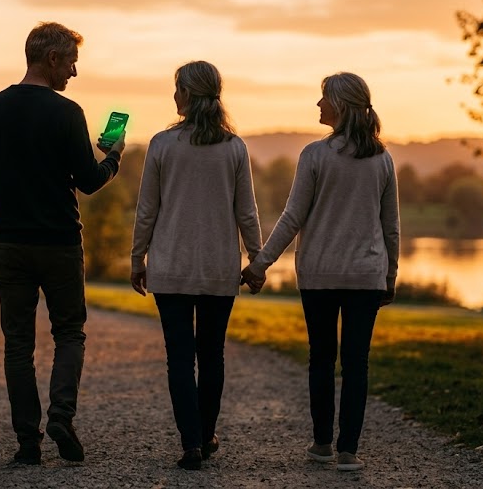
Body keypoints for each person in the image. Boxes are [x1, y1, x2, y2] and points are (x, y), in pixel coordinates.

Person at [0, 21, 126, 466]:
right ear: (52, 58)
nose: (74, 72)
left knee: (18, 343)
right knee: (69, 332)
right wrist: (114, 156)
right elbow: (89, 181)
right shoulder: (67, 113)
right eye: (71, 62)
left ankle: (27, 442)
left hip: (11, 245)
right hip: (60, 245)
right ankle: (61, 416)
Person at [241, 71, 400, 472]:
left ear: (340, 105)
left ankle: (322, 444)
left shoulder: (314, 155)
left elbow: (292, 218)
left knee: (321, 359)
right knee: (357, 362)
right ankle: (349, 451)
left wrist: (259, 265)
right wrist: (390, 276)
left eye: (323, 97)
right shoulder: (382, 159)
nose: (318, 104)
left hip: (319, 275)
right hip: (366, 276)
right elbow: (391, 227)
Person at [130, 60, 263, 470]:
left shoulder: (161, 144)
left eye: (177, 88)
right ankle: (205, 436)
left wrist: (137, 257)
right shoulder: (234, 147)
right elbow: (247, 212)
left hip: (170, 266)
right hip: (218, 269)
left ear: (187, 94)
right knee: (212, 355)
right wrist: (256, 258)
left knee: (179, 358)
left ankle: (190, 442)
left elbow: (147, 210)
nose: (174, 95)